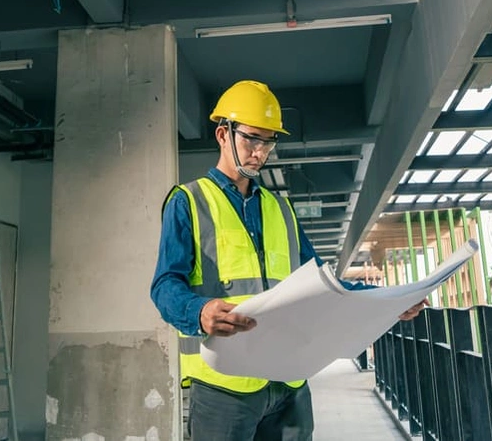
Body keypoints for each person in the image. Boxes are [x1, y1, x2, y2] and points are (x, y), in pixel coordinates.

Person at [150, 79, 426, 440]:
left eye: (268, 141)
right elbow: (165, 285)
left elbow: (322, 281)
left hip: (289, 380)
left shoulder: (280, 209)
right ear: (223, 134)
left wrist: (386, 301)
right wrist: (199, 312)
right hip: (224, 386)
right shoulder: (189, 201)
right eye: (251, 138)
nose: (260, 152)